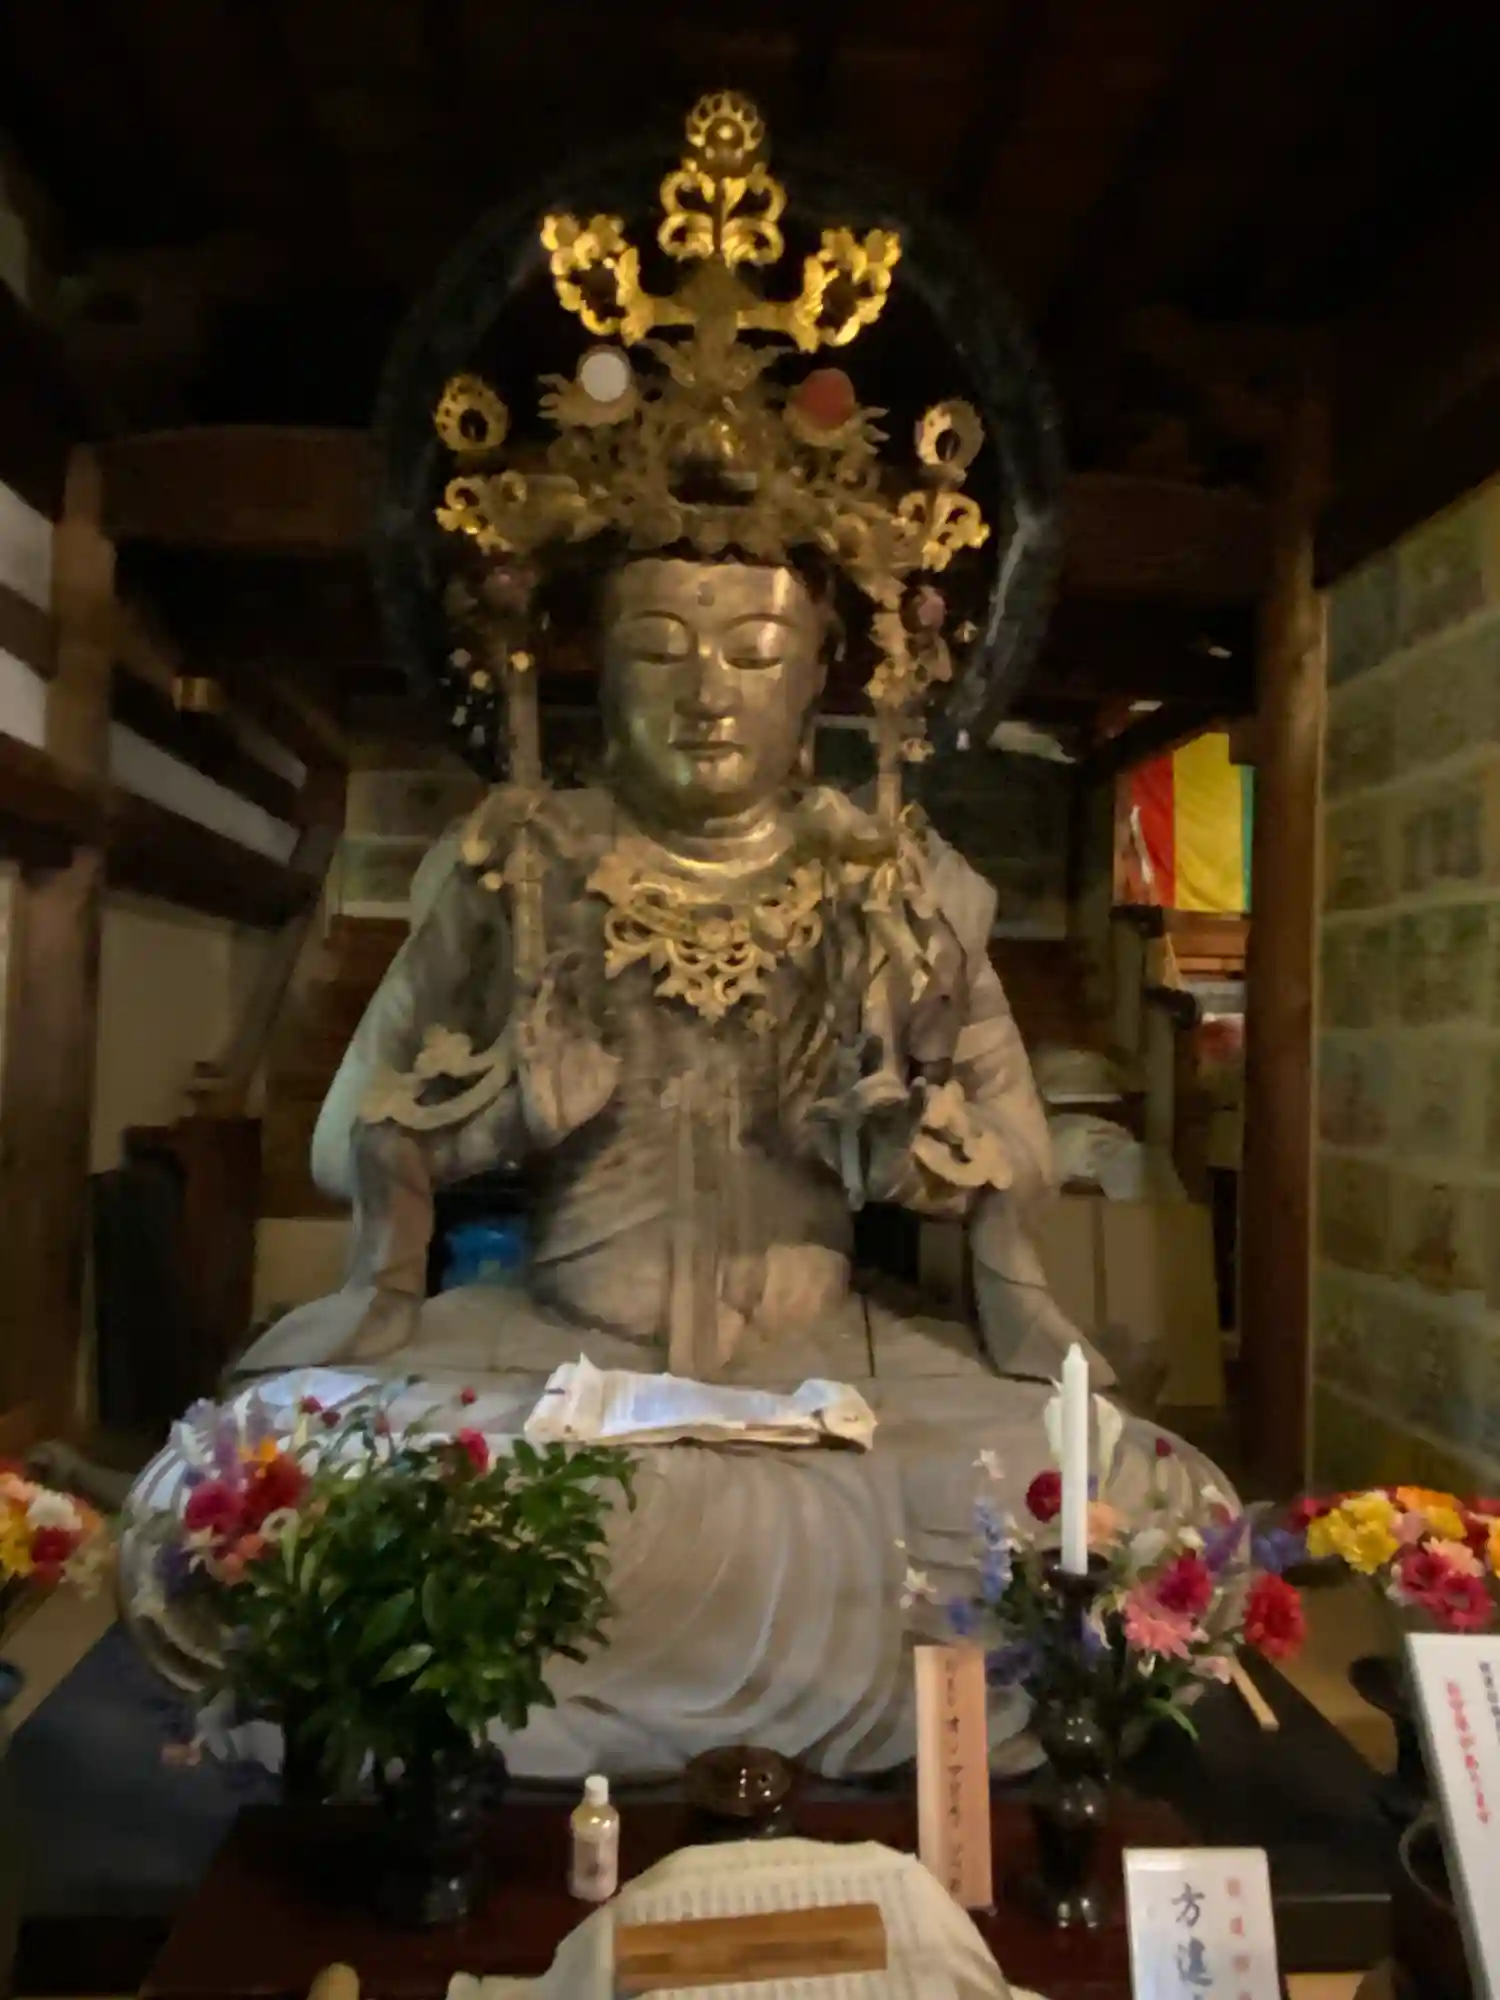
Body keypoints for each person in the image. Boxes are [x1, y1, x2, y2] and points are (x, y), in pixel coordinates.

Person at [123, 93, 1227, 1779]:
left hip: (829, 1374)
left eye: (755, 655)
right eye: (659, 650)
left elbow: (1017, 1144)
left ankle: (519, 1704)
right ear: (590, 671)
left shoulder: (899, 885)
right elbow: (350, 1139)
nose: (709, 693)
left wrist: (932, 1163)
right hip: (556, 1358)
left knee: (1147, 1512)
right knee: (225, 1498)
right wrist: (489, 1120)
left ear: (825, 679)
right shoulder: (512, 868)